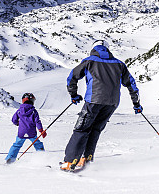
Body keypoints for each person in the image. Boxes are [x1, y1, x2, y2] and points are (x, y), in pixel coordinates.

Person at [60, 40, 141, 171]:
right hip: (112, 103)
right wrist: (136, 103)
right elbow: (131, 84)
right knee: (95, 130)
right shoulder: (119, 64)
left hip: (94, 100)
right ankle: (86, 158)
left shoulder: (89, 61)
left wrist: (73, 95)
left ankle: (70, 162)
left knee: (82, 129)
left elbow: (72, 78)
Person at [4, 93, 47, 164]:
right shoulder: (34, 111)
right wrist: (41, 131)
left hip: (21, 132)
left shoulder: (19, 110)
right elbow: (37, 122)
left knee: (17, 145)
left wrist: (17, 123)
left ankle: (10, 158)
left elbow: (14, 120)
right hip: (31, 133)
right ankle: (42, 158)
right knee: (37, 144)